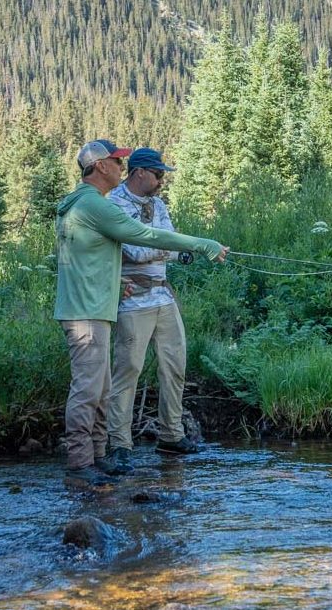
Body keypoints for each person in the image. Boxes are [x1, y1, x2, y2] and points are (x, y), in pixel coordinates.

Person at [55, 139, 228, 487]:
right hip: (89, 312)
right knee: (92, 389)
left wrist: (122, 280)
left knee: (102, 386)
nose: (120, 167)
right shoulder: (97, 205)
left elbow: (112, 255)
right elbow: (142, 240)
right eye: (117, 162)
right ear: (101, 166)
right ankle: (82, 462)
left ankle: (100, 457)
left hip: (104, 306)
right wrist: (201, 244)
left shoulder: (94, 204)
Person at [105, 148, 198, 472]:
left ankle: (171, 435)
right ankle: (119, 444)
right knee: (127, 370)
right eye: (158, 174)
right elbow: (135, 250)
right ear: (140, 172)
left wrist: (166, 248)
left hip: (163, 298)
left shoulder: (158, 205)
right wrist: (168, 249)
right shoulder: (114, 204)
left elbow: (165, 243)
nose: (162, 181)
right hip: (133, 300)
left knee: (175, 367)